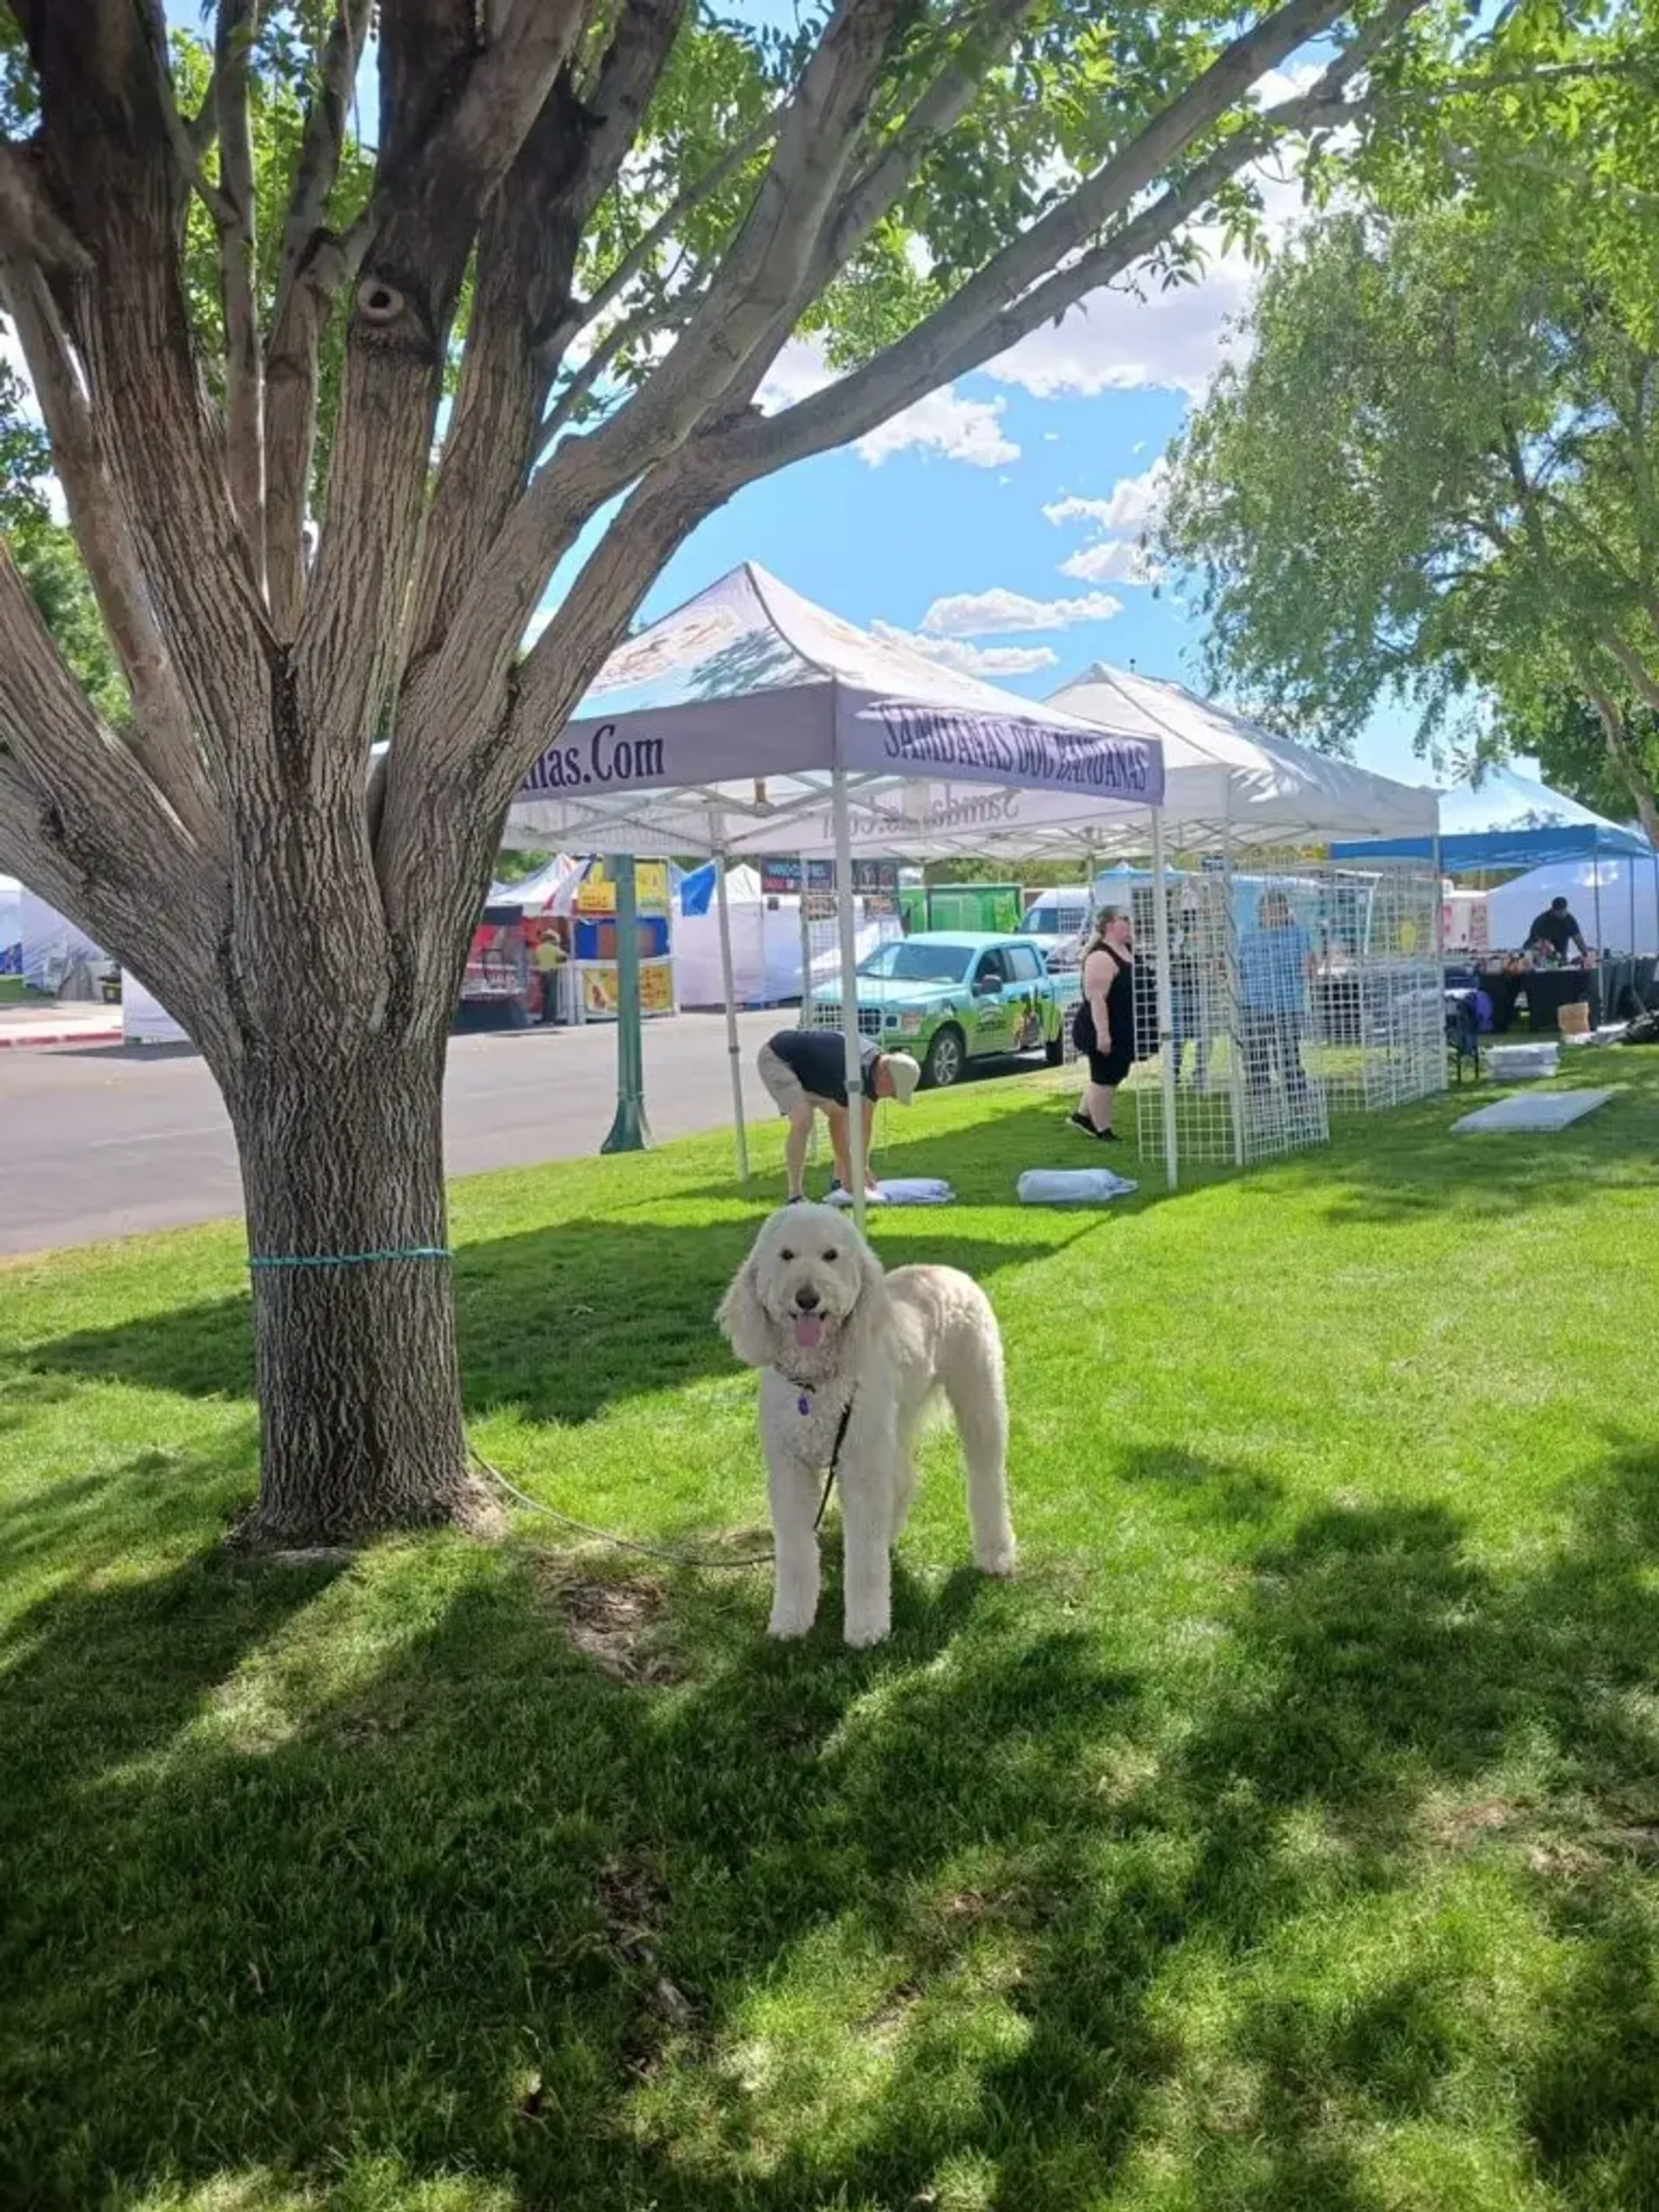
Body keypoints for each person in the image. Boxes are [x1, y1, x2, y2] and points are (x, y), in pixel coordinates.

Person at [757, 1026, 921, 1202]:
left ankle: (838, 1184)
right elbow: (837, 1124)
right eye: (894, 1092)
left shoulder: (875, 1067)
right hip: (778, 1059)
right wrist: (851, 1167)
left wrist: (862, 1165)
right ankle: (795, 1196)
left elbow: (865, 1122)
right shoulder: (848, 1069)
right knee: (803, 1118)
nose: (892, 1097)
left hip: (814, 1073)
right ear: (885, 1076)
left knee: (849, 1114)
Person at [1239, 888, 1314, 1102]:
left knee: (1289, 1054)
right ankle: (1259, 1098)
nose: (1272, 916)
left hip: (1287, 1005)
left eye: (1277, 911)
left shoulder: (1299, 935)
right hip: (1254, 1004)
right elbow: (1239, 968)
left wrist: (1310, 967)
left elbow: (1308, 967)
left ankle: (1297, 1097)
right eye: (1267, 911)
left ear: (1285, 911)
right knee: (1255, 1056)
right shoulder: (1249, 935)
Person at [1069, 906, 1136, 1140]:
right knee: (1103, 1078)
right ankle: (1102, 1129)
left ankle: (1082, 1116)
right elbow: (1096, 999)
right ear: (1109, 925)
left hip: (1122, 1027)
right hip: (1101, 1027)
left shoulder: (1126, 949)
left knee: (1114, 1073)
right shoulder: (1100, 956)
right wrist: (1103, 1035)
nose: (1129, 922)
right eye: (1123, 918)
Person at [1527, 895, 1589, 961]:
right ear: (1553, 910)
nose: (1562, 913)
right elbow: (1536, 941)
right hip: (1539, 955)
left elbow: (1578, 939)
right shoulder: (1542, 921)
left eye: (1563, 910)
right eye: (1559, 911)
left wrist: (1586, 954)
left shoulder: (1570, 921)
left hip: (1560, 955)